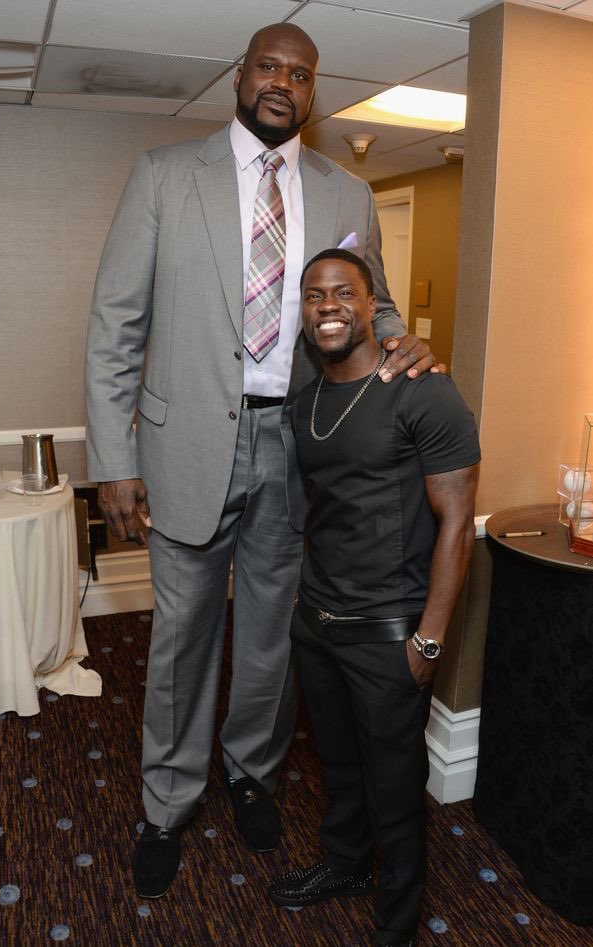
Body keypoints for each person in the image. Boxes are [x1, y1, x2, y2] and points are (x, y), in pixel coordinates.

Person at [84, 22, 440, 901]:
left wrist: (405, 342)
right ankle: (166, 804)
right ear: (240, 76)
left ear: (313, 92)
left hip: (300, 447)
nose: (284, 83)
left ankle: (252, 773)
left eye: (302, 74)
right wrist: (113, 458)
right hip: (185, 445)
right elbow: (114, 326)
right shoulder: (166, 175)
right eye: (270, 67)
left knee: (275, 634)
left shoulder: (347, 191)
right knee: (182, 639)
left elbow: (374, 305)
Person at [269, 249, 480, 947]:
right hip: (318, 623)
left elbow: (456, 524)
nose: (326, 306)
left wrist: (427, 639)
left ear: (369, 305)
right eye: (312, 295)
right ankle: (345, 866)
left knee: (395, 788)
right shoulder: (305, 404)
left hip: (388, 634)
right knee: (338, 763)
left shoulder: (423, 391)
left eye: (342, 293)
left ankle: (396, 923)